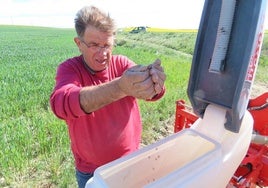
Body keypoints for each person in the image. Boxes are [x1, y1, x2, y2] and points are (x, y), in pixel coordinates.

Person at [50, 5, 166, 188]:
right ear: (79, 43)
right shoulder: (70, 69)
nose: (103, 54)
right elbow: (61, 104)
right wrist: (120, 87)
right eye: (94, 45)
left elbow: (152, 94)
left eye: (107, 45)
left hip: (130, 161)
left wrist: (154, 84)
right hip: (92, 171)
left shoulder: (122, 64)